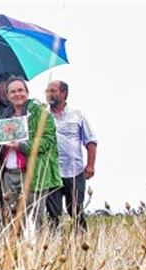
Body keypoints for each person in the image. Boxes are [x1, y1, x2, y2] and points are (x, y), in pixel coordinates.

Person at [0, 77, 61, 224]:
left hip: (32, 173)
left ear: (27, 92)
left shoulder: (40, 113)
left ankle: (34, 247)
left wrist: (22, 146)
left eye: (20, 90)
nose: (17, 94)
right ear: (7, 96)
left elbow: (48, 140)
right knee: (11, 220)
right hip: (8, 175)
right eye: (12, 92)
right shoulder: (5, 116)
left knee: (32, 220)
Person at [46, 80, 97, 229]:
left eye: (53, 91)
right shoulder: (43, 116)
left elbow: (90, 141)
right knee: (53, 213)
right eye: (48, 91)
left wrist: (91, 165)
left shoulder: (77, 114)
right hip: (51, 172)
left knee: (75, 210)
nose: (49, 94)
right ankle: (54, 245)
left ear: (64, 93)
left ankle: (80, 242)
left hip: (74, 170)